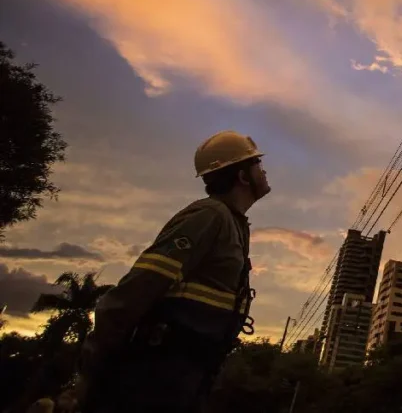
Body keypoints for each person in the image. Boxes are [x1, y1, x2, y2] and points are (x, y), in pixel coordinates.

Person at [75, 131, 271, 413]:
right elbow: (136, 290)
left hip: (187, 373)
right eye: (257, 164)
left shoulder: (233, 223)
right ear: (242, 176)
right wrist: (92, 367)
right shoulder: (209, 215)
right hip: (155, 375)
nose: (263, 171)